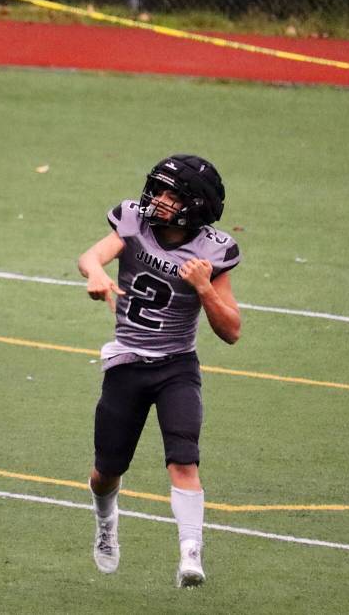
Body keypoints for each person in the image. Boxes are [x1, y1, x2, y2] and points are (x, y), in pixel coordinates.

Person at [77, 154, 241, 588]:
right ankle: (107, 521)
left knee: (184, 460)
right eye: (160, 189)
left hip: (176, 367)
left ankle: (191, 555)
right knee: (106, 471)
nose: (160, 199)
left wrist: (205, 288)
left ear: (196, 205)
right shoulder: (134, 221)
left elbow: (232, 331)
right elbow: (93, 255)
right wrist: (95, 273)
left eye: (173, 194)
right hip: (127, 363)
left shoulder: (211, 250)